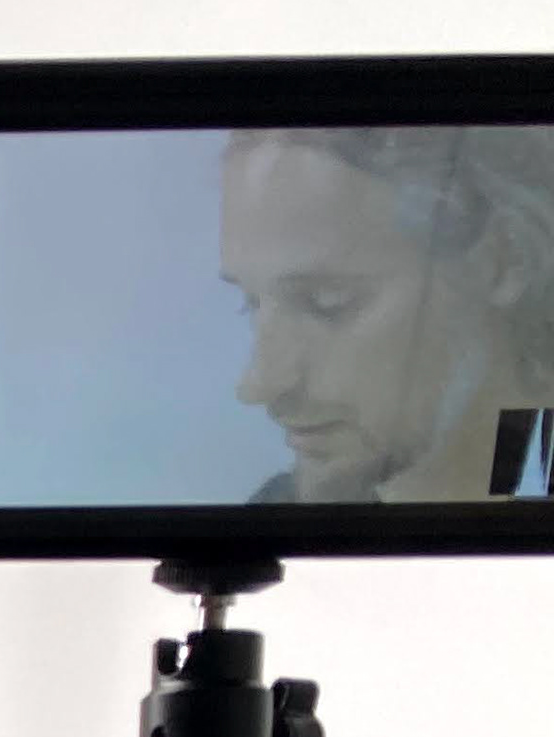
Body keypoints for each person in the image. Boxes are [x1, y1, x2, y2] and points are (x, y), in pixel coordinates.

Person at [223, 122, 554, 504]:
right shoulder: (272, 511)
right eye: (251, 302)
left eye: (326, 302)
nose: (258, 385)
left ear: (501, 260)